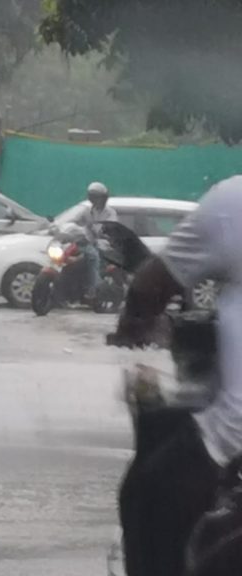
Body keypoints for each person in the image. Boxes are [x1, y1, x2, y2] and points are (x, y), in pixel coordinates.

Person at [111, 175, 242, 576]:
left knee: (147, 493)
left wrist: (134, 320)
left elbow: (151, 285)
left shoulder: (232, 201)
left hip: (232, 439)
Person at [75, 182, 118, 298]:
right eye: (93, 197)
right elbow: (76, 222)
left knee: (94, 257)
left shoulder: (110, 212)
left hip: (105, 244)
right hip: (89, 243)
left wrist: (97, 230)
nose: (95, 199)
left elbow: (109, 228)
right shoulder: (87, 211)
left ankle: (93, 288)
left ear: (104, 198)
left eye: (98, 197)